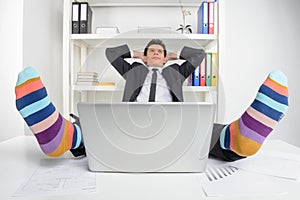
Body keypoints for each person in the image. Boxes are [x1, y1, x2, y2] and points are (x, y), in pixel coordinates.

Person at [15, 39, 289, 161]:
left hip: (175, 125)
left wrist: (172, 55)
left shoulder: (175, 71)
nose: (156, 53)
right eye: (152, 51)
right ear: (144, 56)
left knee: (207, 128)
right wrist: (137, 54)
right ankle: (62, 137)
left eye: (160, 51)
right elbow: (112, 53)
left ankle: (239, 139)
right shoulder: (133, 69)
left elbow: (198, 56)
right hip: (130, 123)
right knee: (93, 123)